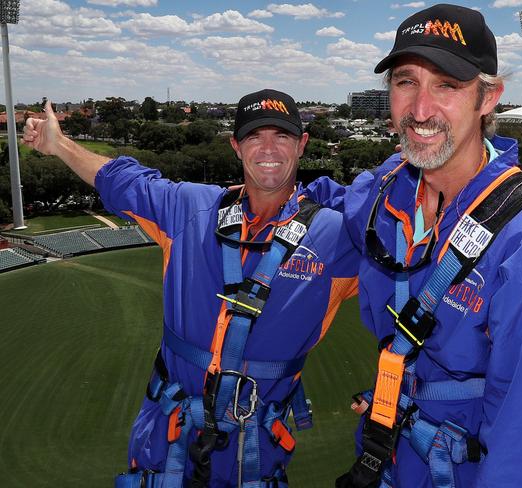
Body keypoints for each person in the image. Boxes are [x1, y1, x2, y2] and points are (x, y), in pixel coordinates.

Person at [309, 4, 522, 487]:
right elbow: (338, 199)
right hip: (388, 454)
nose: (420, 110)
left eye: (447, 84)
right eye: (406, 82)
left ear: (488, 98)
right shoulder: (388, 190)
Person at [22, 89, 359, 487]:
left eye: (282, 136)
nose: (268, 148)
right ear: (236, 146)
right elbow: (121, 180)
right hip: (167, 447)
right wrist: (58, 144)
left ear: (302, 144)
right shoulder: (189, 208)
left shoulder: (337, 237)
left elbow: (417, 274)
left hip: (251, 458)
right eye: (254, 137)